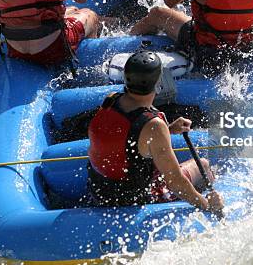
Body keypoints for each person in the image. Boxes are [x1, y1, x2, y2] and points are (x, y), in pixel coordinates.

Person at [87, 50, 224, 215]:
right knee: (204, 165)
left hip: (100, 191)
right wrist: (207, 205)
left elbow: (124, 135)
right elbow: (175, 181)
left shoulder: (111, 99)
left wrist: (169, 129)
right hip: (135, 199)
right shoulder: (154, 126)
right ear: (159, 82)